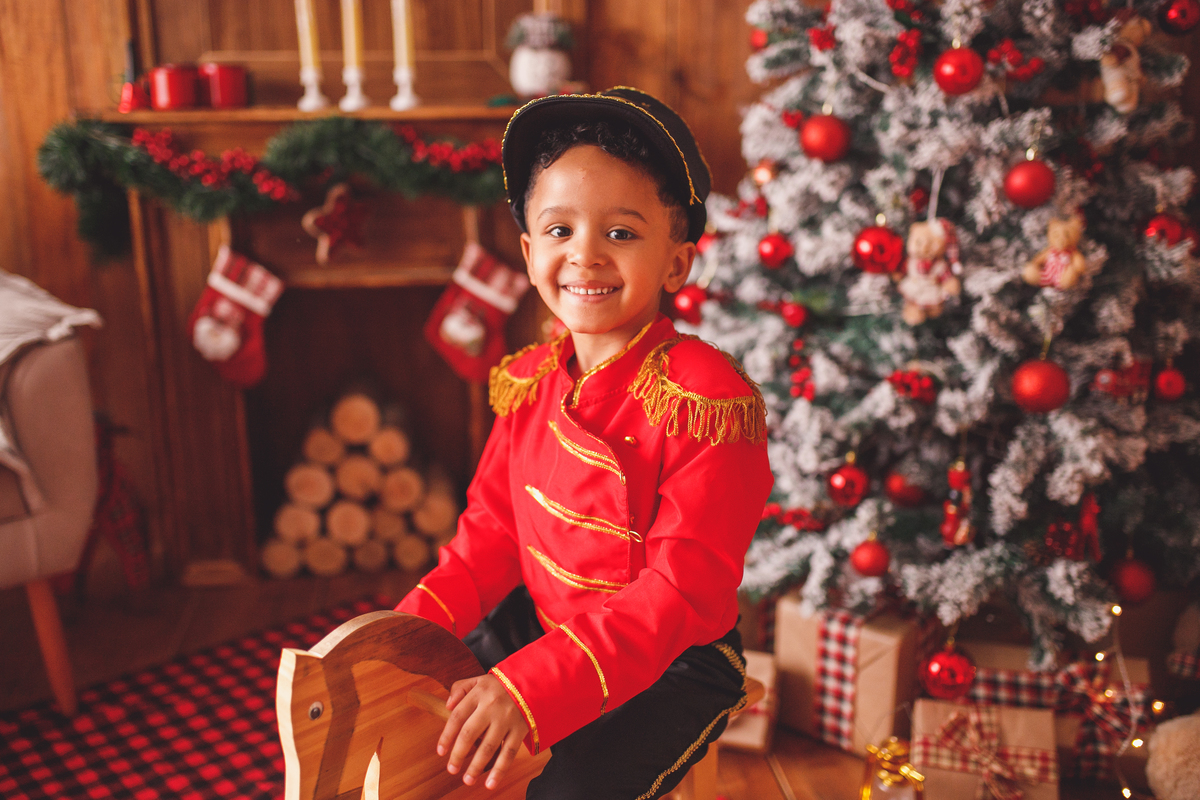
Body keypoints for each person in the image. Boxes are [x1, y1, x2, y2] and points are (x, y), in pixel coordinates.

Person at [395, 86, 774, 799]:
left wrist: (532, 690)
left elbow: (678, 593)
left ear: (676, 263)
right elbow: (493, 532)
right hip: (542, 623)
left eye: (622, 233)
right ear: (530, 249)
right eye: (561, 231)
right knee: (429, 722)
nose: (586, 256)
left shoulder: (707, 399)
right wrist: (406, 631)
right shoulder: (531, 377)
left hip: (675, 661)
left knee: (561, 790)